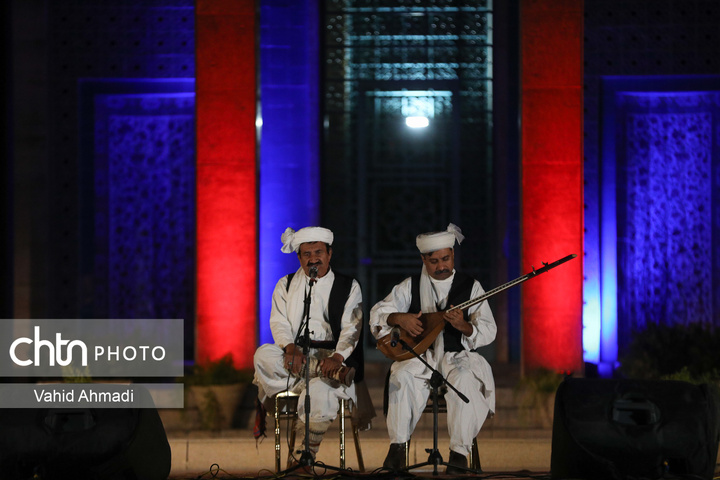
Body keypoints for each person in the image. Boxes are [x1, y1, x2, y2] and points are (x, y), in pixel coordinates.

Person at [369, 224, 496, 474]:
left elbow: (488, 330)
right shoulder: (410, 285)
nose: (441, 266)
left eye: (445, 259)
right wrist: (398, 318)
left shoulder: (471, 286)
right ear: (423, 259)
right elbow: (378, 313)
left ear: (452, 255)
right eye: (434, 261)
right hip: (421, 357)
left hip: (457, 356)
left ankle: (459, 454)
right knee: (402, 376)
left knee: (465, 378)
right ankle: (398, 449)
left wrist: (465, 326)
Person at [253, 226, 364, 463]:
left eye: (318, 252)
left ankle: (304, 457)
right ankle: (321, 372)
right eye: (307, 254)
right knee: (263, 354)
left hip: (332, 360)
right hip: (295, 360)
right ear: (299, 257)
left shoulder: (348, 286)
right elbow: (278, 321)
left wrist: (336, 359)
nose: (313, 258)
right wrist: (290, 348)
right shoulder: (286, 283)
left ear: (329, 254)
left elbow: (352, 328)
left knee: (320, 392)